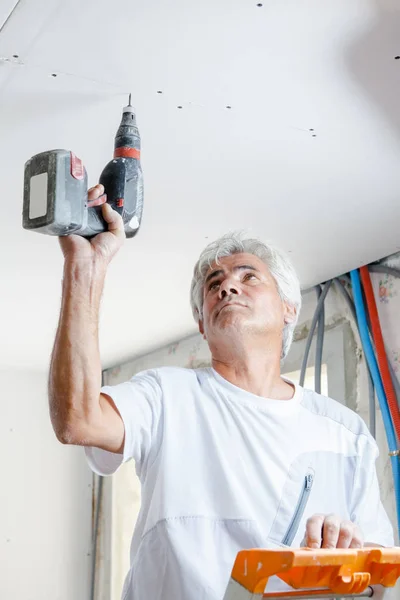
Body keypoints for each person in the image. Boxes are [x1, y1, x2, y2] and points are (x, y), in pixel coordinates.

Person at [49, 185, 394, 600]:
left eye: (249, 277)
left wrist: (348, 558)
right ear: (202, 323)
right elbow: (76, 419)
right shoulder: (167, 396)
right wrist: (86, 268)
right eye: (214, 284)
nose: (228, 288)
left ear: (289, 308)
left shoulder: (346, 433)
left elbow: (382, 579)